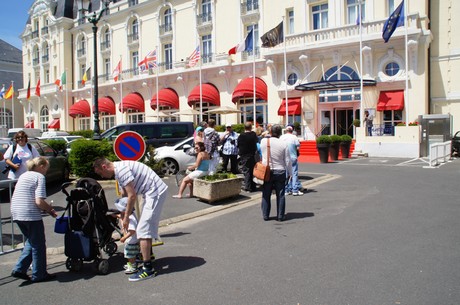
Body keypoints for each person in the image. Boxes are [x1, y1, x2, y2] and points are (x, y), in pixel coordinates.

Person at [93, 157, 168, 282]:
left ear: (104, 167)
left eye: (100, 173)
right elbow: (125, 194)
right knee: (144, 227)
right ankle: (148, 255)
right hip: (150, 192)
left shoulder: (121, 170)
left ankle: (148, 269)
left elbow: (132, 196)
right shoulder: (118, 171)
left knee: (144, 229)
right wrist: (121, 211)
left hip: (155, 191)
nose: (102, 176)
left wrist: (126, 217)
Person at [10, 157, 57, 283]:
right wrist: (50, 210)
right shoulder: (39, 177)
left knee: (32, 241)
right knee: (39, 244)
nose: (47, 171)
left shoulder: (24, 176)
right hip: (30, 214)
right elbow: (39, 201)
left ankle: (20, 269)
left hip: (16, 211)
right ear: (41, 166)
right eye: (47, 168)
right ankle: (39, 274)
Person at [259, 124, 292, 222]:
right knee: (280, 194)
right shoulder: (283, 144)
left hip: (267, 170)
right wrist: (290, 173)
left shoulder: (264, 141)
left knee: (266, 193)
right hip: (280, 170)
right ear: (280, 133)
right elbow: (287, 160)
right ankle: (280, 216)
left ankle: (265, 215)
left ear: (271, 132)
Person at [114, 197, 140, 275]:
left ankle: (133, 266)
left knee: (129, 254)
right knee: (130, 254)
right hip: (131, 240)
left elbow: (132, 231)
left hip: (131, 240)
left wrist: (125, 237)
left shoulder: (130, 219)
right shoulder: (129, 215)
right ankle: (132, 264)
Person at [280, 126, 303, 196]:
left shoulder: (282, 137)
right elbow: (298, 147)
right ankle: (295, 190)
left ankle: (286, 189)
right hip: (293, 157)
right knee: (294, 173)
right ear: (292, 131)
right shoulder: (294, 137)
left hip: (285, 157)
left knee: (286, 174)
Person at [237, 122, 258, 192]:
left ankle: (247, 186)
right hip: (252, 154)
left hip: (244, 155)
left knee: (246, 171)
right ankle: (253, 186)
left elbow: (238, 144)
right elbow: (256, 141)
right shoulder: (253, 134)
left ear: (244, 127)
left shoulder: (241, 135)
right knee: (252, 171)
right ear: (251, 127)